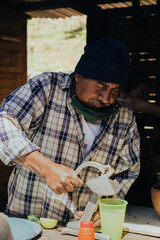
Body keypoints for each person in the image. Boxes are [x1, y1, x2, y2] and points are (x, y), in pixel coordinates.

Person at [0, 37, 140, 227]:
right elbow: (5, 123)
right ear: (78, 76)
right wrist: (47, 168)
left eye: (115, 90)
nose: (107, 98)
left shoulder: (124, 116)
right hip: (27, 222)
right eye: (100, 87)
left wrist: (106, 206)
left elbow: (128, 170)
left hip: (82, 229)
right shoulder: (47, 88)